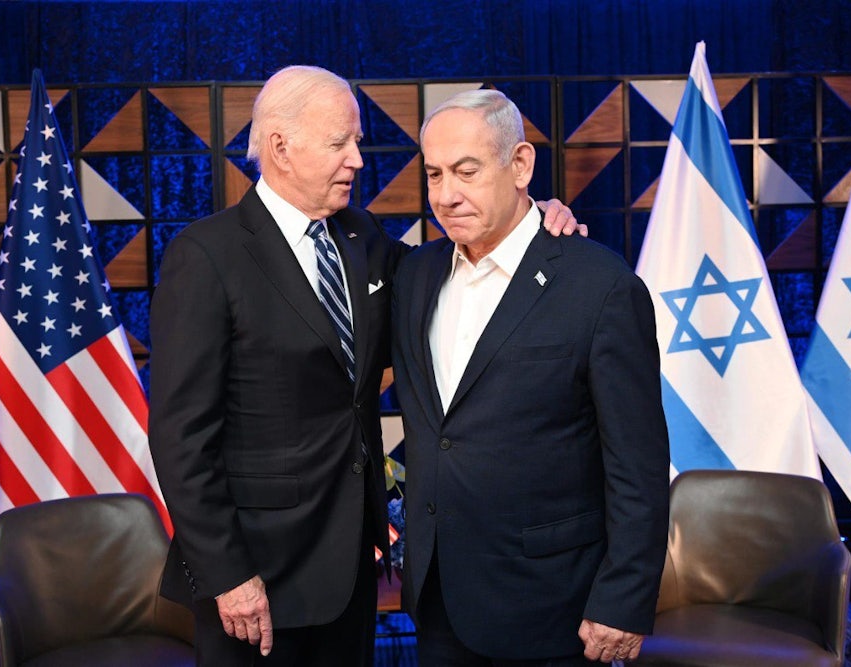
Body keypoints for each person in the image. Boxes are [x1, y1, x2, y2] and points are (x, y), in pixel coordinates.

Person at [148, 66, 582, 666]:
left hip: (351, 567)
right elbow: (180, 439)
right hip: (256, 578)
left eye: (355, 141)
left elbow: (452, 271)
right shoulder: (205, 256)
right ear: (280, 147)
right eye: (340, 143)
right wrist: (227, 575)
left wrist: (531, 220)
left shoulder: (360, 235)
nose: (358, 158)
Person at [391, 89, 670, 666]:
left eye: (467, 171)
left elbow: (637, 464)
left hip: (553, 608)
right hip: (439, 599)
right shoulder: (413, 275)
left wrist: (624, 599)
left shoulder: (601, 287)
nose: (446, 195)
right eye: (435, 174)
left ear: (520, 165)